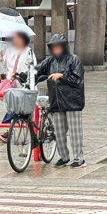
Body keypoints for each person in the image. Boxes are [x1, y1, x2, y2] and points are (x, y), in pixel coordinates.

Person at [37, 34, 85, 168]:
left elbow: (77, 79)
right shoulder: (50, 61)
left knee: (75, 132)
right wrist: (23, 74)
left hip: (72, 101)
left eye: (58, 46)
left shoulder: (74, 59)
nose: (56, 49)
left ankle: (79, 158)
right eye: (54, 47)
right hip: (56, 101)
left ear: (64, 47)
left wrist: (62, 76)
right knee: (58, 131)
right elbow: (38, 70)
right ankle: (64, 156)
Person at [0, 30, 36, 143]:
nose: (14, 40)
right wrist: (1, 58)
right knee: (12, 108)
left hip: (23, 84)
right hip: (11, 83)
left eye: (16, 38)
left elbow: (33, 68)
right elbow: (4, 66)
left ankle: (27, 133)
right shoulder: (9, 50)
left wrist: (25, 78)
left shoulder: (29, 52)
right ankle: (9, 131)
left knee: (22, 110)